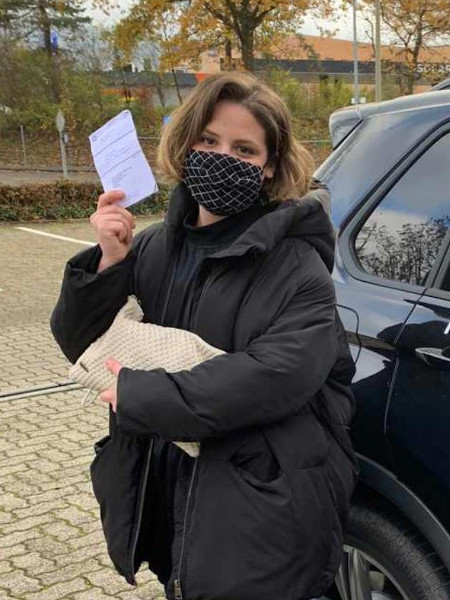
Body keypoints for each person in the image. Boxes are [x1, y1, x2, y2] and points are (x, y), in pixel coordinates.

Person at [50, 72, 359, 600]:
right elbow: (80, 339)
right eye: (209, 141)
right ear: (186, 143)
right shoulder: (153, 248)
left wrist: (140, 395)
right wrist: (109, 262)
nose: (222, 157)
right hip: (167, 485)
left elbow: (278, 376)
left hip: (258, 507)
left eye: (244, 149)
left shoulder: (297, 265)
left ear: (269, 165)